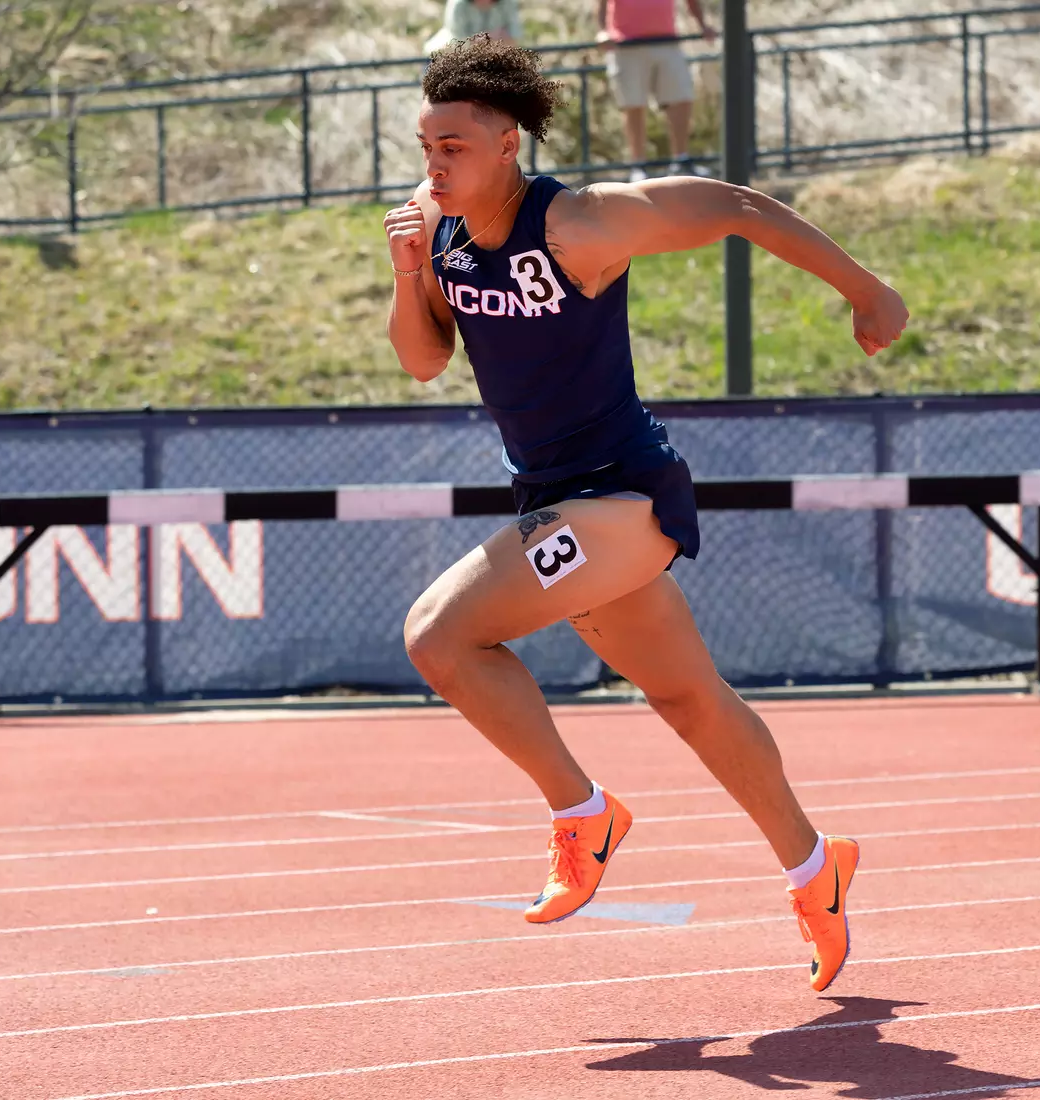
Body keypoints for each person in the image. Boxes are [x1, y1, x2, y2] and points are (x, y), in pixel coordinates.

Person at [382, 35, 908, 992]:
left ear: (507, 145)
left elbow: (737, 208)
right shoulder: (435, 226)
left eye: (453, 147)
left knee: (438, 638)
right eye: (425, 147)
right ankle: (815, 866)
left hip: (624, 495)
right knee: (690, 702)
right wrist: (407, 273)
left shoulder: (581, 225)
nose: (434, 165)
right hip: (556, 506)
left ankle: (582, 813)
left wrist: (864, 289)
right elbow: (423, 360)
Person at [596, 0, 715, 180]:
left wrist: (703, 25)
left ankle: (681, 160)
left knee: (681, 98)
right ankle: (639, 165)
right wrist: (602, 31)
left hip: (667, 41)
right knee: (633, 105)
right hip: (626, 45)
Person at [426, 0, 523, 53]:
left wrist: (483, 40)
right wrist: (492, 37)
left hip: (497, 56)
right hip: (456, 56)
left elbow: (514, 37)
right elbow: (459, 41)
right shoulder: (458, 4)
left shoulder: (508, 3)